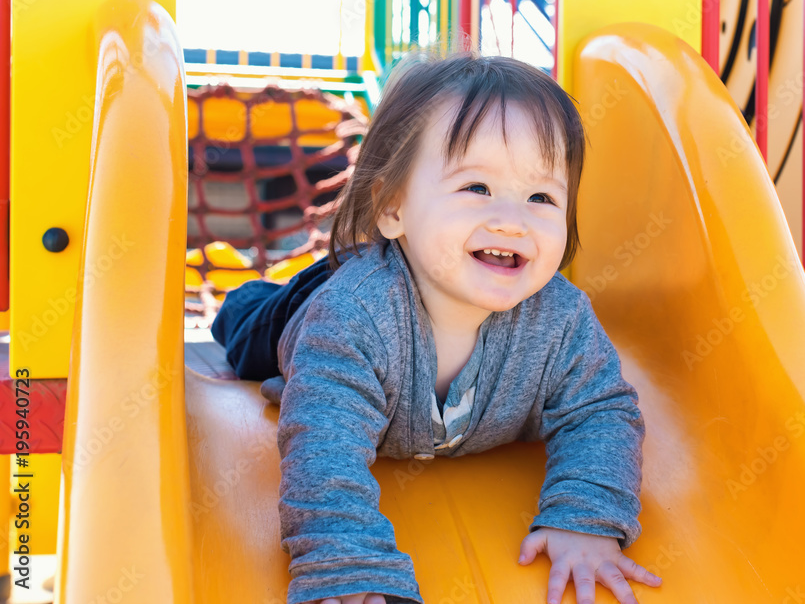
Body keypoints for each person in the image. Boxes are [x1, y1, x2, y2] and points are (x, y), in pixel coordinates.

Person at [212, 50, 660, 604]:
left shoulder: (561, 319)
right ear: (392, 208)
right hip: (308, 303)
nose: (511, 220)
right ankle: (244, 298)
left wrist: (587, 518)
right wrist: (346, 562)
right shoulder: (352, 317)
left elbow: (602, 411)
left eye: (542, 197)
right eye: (476, 188)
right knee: (247, 331)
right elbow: (323, 445)